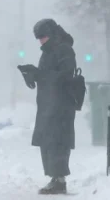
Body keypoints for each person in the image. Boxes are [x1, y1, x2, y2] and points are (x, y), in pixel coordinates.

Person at [18, 18, 77, 195]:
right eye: (39, 37)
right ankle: (54, 178)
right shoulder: (50, 51)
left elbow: (64, 76)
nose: (41, 40)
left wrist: (38, 74)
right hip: (48, 103)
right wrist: (32, 74)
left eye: (43, 36)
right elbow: (48, 75)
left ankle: (59, 180)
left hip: (61, 104)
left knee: (57, 141)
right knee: (48, 141)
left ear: (51, 34)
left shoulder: (64, 49)